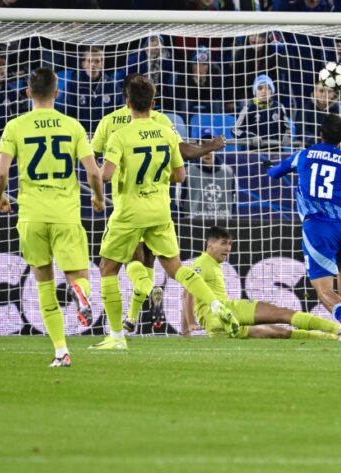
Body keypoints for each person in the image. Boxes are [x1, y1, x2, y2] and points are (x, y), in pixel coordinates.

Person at [92, 75, 238, 350]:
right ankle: (217, 304)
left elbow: (105, 174)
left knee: (108, 269)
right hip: (160, 210)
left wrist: (98, 192)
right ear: (153, 103)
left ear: (127, 102)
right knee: (176, 268)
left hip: (129, 211)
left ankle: (117, 336)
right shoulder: (167, 131)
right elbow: (181, 175)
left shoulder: (118, 133)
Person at [0, 68, 105, 367]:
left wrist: (0, 197)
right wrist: (98, 197)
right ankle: (81, 294)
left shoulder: (15, 126)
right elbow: (93, 172)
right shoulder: (72, 126)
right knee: (77, 275)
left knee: (44, 283)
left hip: (31, 215)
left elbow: (2, 172)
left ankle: (60, 351)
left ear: (29, 93)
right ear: (57, 93)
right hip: (66, 214)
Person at [268, 114, 341, 340]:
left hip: (318, 227)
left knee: (324, 290)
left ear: (320, 133)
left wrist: (270, 166)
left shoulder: (304, 155)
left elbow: (274, 174)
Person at [183, 226, 341, 340]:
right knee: (283, 314)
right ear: (210, 245)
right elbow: (188, 292)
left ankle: (332, 338)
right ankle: (339, 329)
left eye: (230, 243)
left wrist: (186, 330)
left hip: (217, 326)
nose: (229, 248)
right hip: (226, 312)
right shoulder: (202, 263)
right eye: (224, 243)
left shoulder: (211, 263)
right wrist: (190, 322)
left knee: (279, 333)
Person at [56, 46, 123, 134]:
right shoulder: (72, 86)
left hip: (105, 136)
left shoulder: (112, 86)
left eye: (97, 61)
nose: (93, 65)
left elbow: (118, 114)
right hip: (81, 136)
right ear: (83, 64)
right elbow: (65, 113)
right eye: (89, 61)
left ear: (102, 64)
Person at [181, 134, 236, 218]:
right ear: (196, 145)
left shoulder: (228, 172)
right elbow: (179, 203)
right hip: (194, 226)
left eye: (211, 144)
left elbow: (234, 202)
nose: (208, 151)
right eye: (203, 144)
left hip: (221, 226)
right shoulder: (187, 171)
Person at [233, 74, 292, 150]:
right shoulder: (249, 107)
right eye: (260, 88)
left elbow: (287, 127)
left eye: (268, 88)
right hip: (256, 153)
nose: (264, 91)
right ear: (255, 91)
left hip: (277, 152)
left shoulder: (279, 107)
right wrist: (251, 137)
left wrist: (288, 135)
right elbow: (235, 130)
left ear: (272, 91)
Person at [300, 81, 341, 148]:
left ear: (334, 93)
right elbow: (301, 131)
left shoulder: (339, 109)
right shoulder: (306, 107)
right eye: (321, 91)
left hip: (334, 147)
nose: (325, 94)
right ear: (315, 92)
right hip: (309, 147)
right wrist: (319, 141)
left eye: (329, 91)